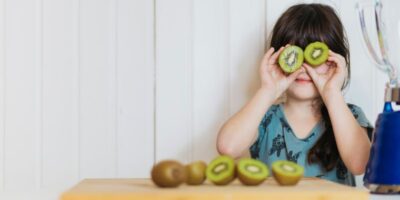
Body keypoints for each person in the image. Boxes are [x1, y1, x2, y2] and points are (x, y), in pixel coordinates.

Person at [216, 3, 373, 186]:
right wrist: (268, 90)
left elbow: (361, 164)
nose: (304, 68)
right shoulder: (264, 118)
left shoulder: (349, 116)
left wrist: (332, 93)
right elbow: (227, 147)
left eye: (314, 56)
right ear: (279, 59)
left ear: (335, 62)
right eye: (295, 54)